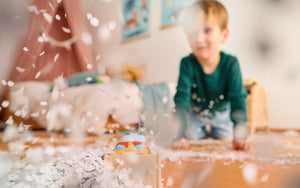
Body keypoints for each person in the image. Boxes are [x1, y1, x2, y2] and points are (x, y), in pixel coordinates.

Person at [173, 0, 249, 150]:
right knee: (192, 140)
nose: (199, 39)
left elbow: (237, 98)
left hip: (222, 113)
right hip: (196, 113)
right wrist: (179, 134)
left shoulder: (231, 64)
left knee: (225, 140)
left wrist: (240, 133)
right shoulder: (187, 63)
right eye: (192, 33)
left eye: (207, 30)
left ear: (224, 35)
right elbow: (182, 99)